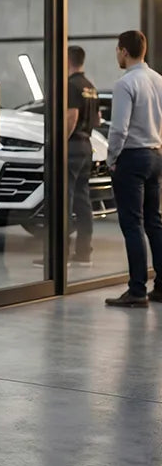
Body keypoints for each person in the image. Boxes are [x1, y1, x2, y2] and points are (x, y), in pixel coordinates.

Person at [105, 30, 162, 308]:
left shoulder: (125, 83)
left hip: (132, 157)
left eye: (117, 50)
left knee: (132, 224)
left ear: (124, 51)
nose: (117, 54)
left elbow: (119, 129)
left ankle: (137, 290)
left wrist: (111, 158)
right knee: (154, 222)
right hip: (155, 155)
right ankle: (161, 287)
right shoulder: (159, 80)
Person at [66, 45, 100, 267]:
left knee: (64, 200)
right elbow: (97, 119)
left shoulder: (71, 85)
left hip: (71, 146)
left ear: (67, 60)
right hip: (86, 145)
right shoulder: (90, 86)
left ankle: (59, 256)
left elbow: (72, 116)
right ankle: (83, 252)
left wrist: (60, 142)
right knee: (82, 200)